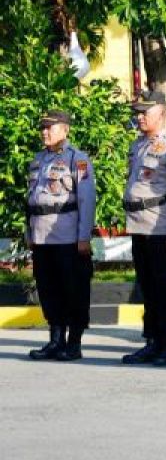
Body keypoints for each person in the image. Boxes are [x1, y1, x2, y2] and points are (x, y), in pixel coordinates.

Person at [121, 91, 166, 367]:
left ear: (160, 114)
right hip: (140, 227)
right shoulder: (138, 146)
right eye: (137, 113)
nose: (139, 118)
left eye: (144, 113)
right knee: (148, 288)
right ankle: (152, 341)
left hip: (162, 228)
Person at [25, 109, 95, 362]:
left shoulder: (79, 160)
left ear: (64, 130)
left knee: (73, 291)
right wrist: (28, 231)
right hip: (42, 236)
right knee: (48, 290)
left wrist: (83, 236)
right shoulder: (38, 159)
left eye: (50, 128)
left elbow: (87, 200)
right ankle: (55, 341)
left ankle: (73, 343)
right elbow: (31, 199)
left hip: (67, 236)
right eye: (42, 127)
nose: (44, 132)